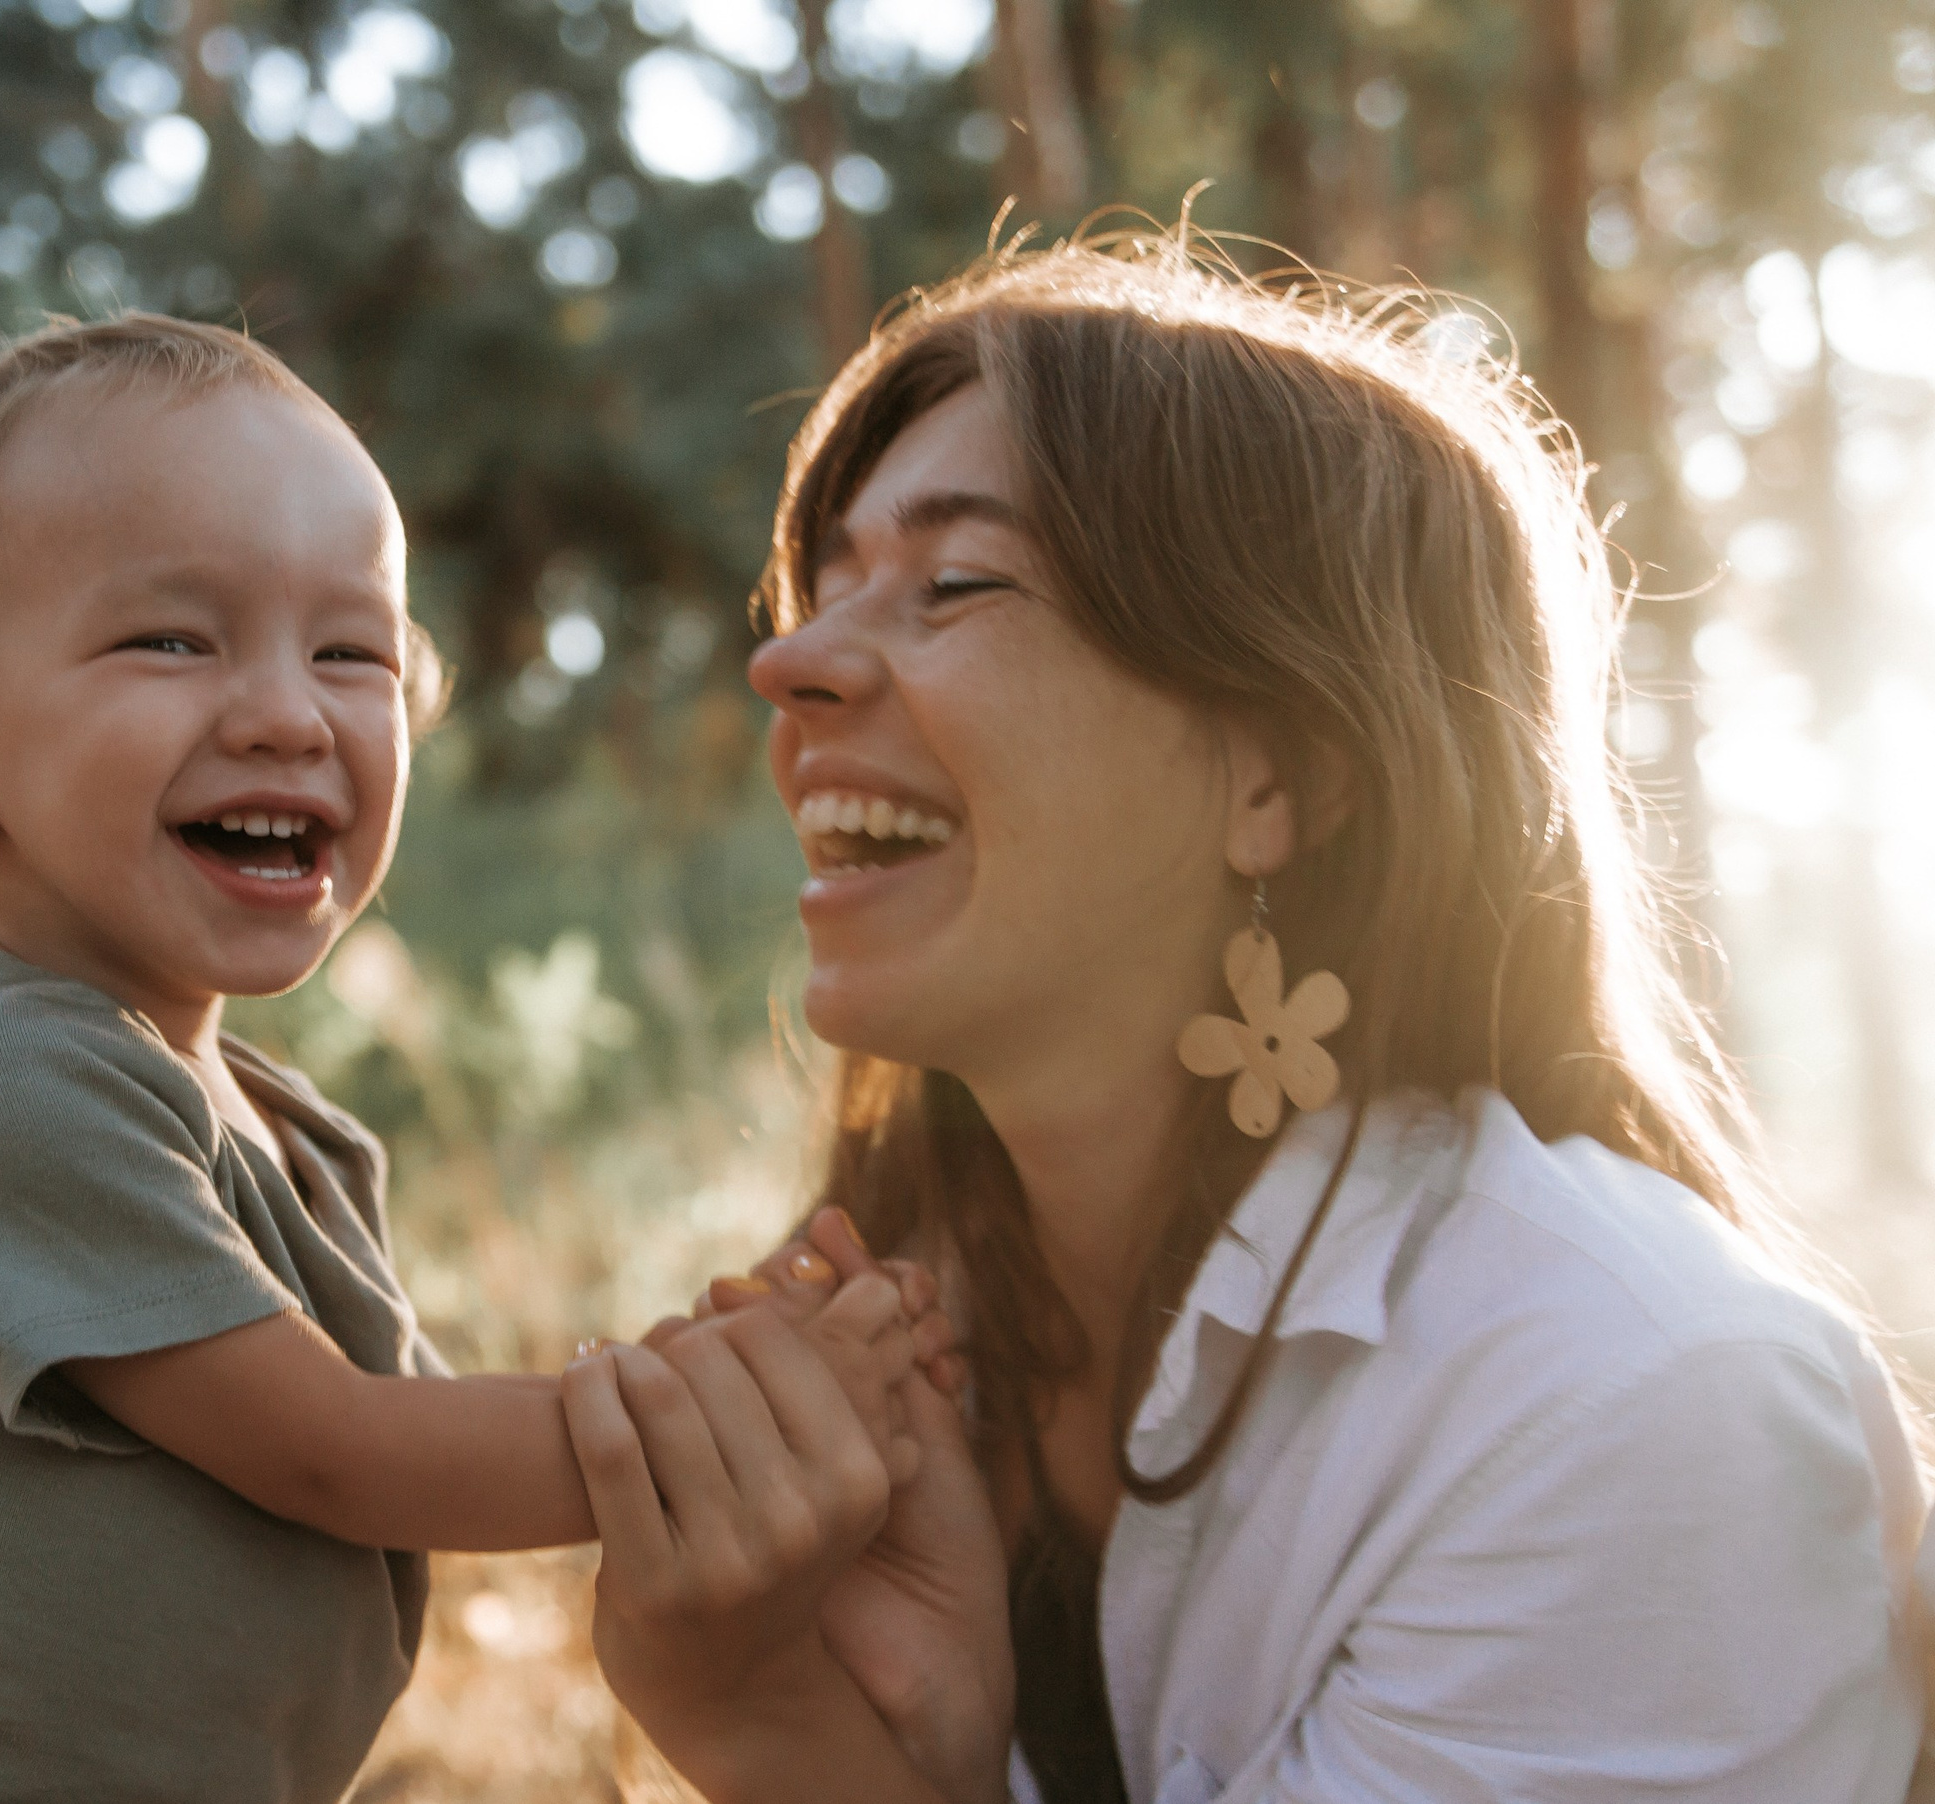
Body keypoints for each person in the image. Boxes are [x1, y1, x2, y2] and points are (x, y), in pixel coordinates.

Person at [561, 233, 1933, 1804]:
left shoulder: (1628, 1398)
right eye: (826, 588)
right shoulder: (914, 1339)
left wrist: (775, 1733)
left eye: (955, 585)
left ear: (1285, 774)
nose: (787, 661)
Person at [0, 313, 944, 1804]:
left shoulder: (278, 1130)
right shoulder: (5, 1092)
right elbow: (349, 1457)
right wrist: (719, 1418)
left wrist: (724, 1366)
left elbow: (443, 1440)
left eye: (352, 651)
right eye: (173, 639)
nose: (290, 714)